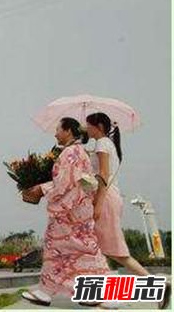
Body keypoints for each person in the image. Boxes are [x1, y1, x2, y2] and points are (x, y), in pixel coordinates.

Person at [21, 118, 112, 307]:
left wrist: (41, 188)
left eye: (58, 129)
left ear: (68, 131)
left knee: (57, 250)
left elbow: (64, 184)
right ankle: (91, 292)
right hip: (80, 210)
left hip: (69, 213)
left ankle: (46, 292)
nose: (55, 133)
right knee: (83, 252)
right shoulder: (80, 152)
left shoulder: (71, 153)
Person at [86, 112, 170, 309]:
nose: (86, 128)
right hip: (109, 198)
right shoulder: (105, 144)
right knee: (100, 248)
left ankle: (154, 287)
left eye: (88, 125)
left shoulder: (102, 144)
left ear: (98, 125)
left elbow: (104, 174)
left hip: (105, 199)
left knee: (115, 251)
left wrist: (98, 204)